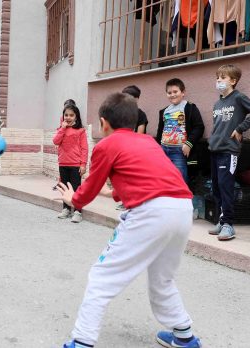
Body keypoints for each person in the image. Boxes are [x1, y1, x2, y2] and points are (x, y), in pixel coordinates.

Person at [56, 93, 202, 348]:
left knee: (102, 277)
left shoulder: (106, 145)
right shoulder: (148, 142)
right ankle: (184, 336)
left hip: (150, 213)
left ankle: (81, 342)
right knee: (163, 278)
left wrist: (73, 199)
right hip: (181, 208)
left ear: (103, 123)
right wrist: (111, 192)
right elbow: (146, 177)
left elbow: (87, 189)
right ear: (135, 122)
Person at [208, 64, 250, 241]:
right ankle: (221, 220)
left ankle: (229, 225)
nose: (219, 80)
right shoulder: (218, 103)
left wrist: (240, 129)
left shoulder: (239, 97)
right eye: (218, 77)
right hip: (214, 150)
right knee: (216, 188)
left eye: (223, 78)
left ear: (233, 81)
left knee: (226, 187)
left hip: (229, 151)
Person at [155, 78, 205, 183]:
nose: (172, 95)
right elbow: (160, 131)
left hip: (179, 151)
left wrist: (189, 143)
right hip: (164, 150)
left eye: (175, 92)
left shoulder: (190, 108)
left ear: (183, 92)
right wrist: (158, 147)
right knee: (165, 178)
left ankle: (183, 198)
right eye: (169, 92)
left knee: (180, 179)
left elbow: (199, 127)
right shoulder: (164, 111)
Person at [53, 103, 89, 223]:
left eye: (71, 115)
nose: (68, 117)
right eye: (66, 115)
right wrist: (63, 128)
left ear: (76, 117)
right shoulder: (61, 130)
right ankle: (66, 209)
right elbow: (55, 141)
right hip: (63, 163)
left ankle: (78, 211)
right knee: (64, 188)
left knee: (76, 188)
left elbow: (84, 148)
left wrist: (83, 164)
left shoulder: (80, 131)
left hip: (75, 165)